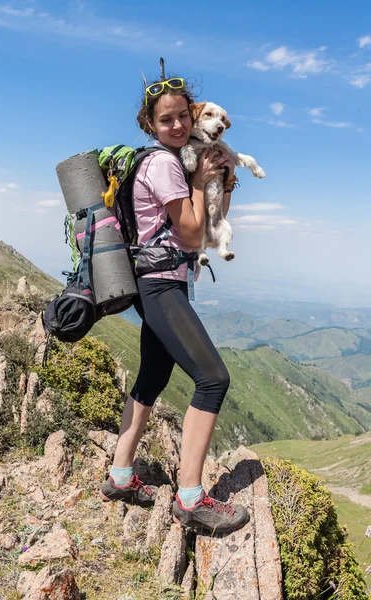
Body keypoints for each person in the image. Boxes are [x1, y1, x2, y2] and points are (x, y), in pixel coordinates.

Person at [99, 74, 249, 533]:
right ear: (150, 123)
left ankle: (120, 475)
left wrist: (216, 178)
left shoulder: (161, 161)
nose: (179, 124)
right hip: (160, 285)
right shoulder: (164, 165)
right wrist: (202, 182)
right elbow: (188, 231)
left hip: (156, 282)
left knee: (153, 374)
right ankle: (190, 498)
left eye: (185, 115)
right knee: (212, 379)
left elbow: (199, 217)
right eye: (167, 119)